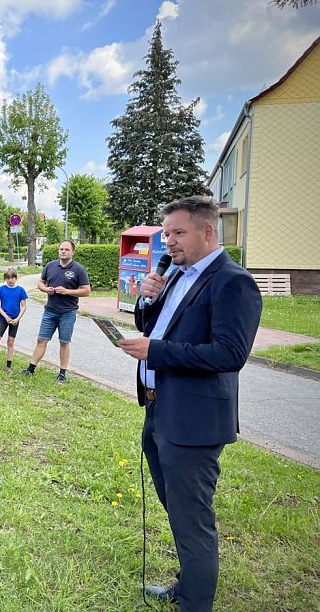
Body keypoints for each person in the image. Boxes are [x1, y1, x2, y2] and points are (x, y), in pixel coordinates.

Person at [119, 196, 262, 612]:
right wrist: (147, 301)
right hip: (160, 408)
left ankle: (195, 603)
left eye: (178, 233)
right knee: (175, 507)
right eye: (166, 234)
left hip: (194, 421)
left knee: (193, 518)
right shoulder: (178, 275)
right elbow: (158, 328)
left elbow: (229, 355)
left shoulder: (232, 281)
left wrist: (156, 351)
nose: (169, 243)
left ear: (207, 231)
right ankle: (186, 584)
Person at [20, 240, 90, 383]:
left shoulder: (78, 269)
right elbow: (41, 282)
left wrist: (67, 292)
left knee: (64, 342)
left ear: (73, 252)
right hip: (50, 311)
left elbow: (86, 291)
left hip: (68, 312)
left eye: (66, 249)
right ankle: (31, 369)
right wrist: (45, 289)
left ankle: (62, 374)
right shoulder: (51, 266)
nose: (63, 252)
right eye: (61, 249)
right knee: (41, 340)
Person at [0, 267, 28, 373]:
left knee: (10, 342)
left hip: (15, 320)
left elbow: (23, 306)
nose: (10, 280)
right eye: (8, 278)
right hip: (4, 319)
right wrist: (5, 316)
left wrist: (18, 318)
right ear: (5, 278)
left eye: (12, 277)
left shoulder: (20, 290)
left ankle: (9, 365)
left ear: (16, 278)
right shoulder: (1, 289)